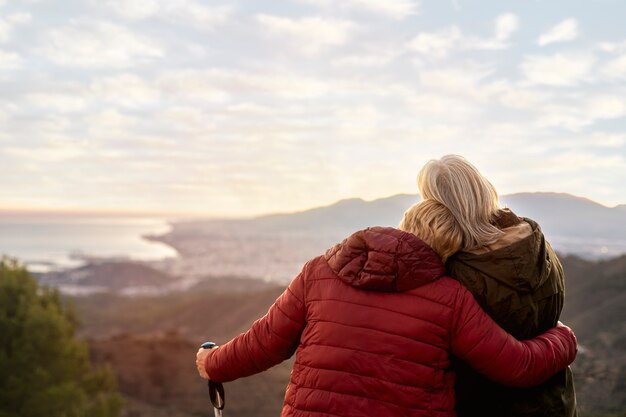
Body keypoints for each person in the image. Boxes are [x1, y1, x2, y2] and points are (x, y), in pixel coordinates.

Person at [195, 199, 577, 417]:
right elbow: (518, 366)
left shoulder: (320, 272)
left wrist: (212, 363)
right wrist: (563, 337)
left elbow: (262, 343)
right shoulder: (451, 298)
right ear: (451, 248)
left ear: (405, 226)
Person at [417, 154, 577, 417]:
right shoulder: (538, 246)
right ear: (483, 189)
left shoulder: (455, 272)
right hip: (555, 401)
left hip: (484, 405)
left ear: (436, 205)